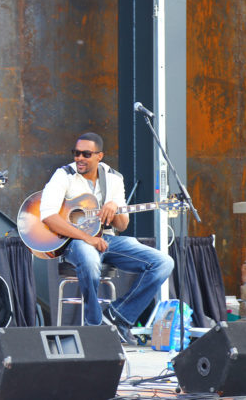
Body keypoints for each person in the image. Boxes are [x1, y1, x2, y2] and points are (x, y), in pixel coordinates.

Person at [40, 132, 174, 343]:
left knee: (164, 263)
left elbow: (122, 225)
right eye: (76, 153)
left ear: (99, 156)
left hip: (107, 240)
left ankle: (118, 316)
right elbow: (48, 216)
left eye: (86, 154)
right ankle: (95, 327)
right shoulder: (63, 175)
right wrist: (87, 238)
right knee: (90, 258)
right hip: (74, 241)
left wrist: (115, 208)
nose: (79, 158)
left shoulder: (113, 178)